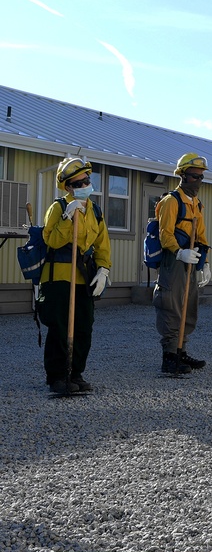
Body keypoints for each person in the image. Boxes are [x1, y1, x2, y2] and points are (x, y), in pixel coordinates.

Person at [37, 157, 111, 393]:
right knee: (59, 327)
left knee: (83, 326)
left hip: (83, 278)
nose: (84, 186)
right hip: (59, 278)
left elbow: (102, 244)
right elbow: (52, 240)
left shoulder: (95, 210)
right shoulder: (58, 207)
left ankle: (76, 373)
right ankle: (57, 377)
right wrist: (68, 218)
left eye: (86, 181)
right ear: (68, 187)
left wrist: (103, 269)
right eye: (78, 183)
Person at [153, 153, 211, 374]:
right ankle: (169, 355)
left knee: (189, 304)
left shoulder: (196, 203)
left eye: (201, 177)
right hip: (174, 260)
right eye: (195, 176)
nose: (199, 181)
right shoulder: (171, 201)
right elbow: (165, 234)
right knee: (171, 304)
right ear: (183, 176)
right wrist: (179, 253)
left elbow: (202, 235)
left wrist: (204, 263)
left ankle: (181, 350)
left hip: (191, 260)